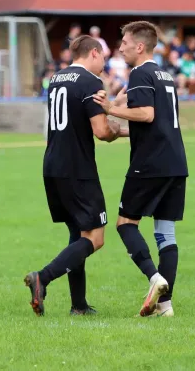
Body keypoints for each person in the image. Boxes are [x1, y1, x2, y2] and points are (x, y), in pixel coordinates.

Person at [24, 35, 124, 317]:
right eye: (103, 57)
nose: (104, 64)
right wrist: (118, 128)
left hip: (52, 165)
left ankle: (78, 305)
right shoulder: (90, 82)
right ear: (93, 52)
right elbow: (102, 132)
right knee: (96, 237)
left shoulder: (56, 78)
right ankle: (42, 277)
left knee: (76, 234)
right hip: (77, 168)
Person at [93, 21, 188, 317]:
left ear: (139, 46)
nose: (120, 46)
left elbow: (147, 114)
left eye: (124, 41)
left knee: (125, 224)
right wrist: (120, 115)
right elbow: (156, 117)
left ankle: (154, 277)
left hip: (150, 163)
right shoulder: (165, 74)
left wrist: (109, 109)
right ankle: (165, 305)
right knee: (166, 234)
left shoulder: (141, 73)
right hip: (176, 162)